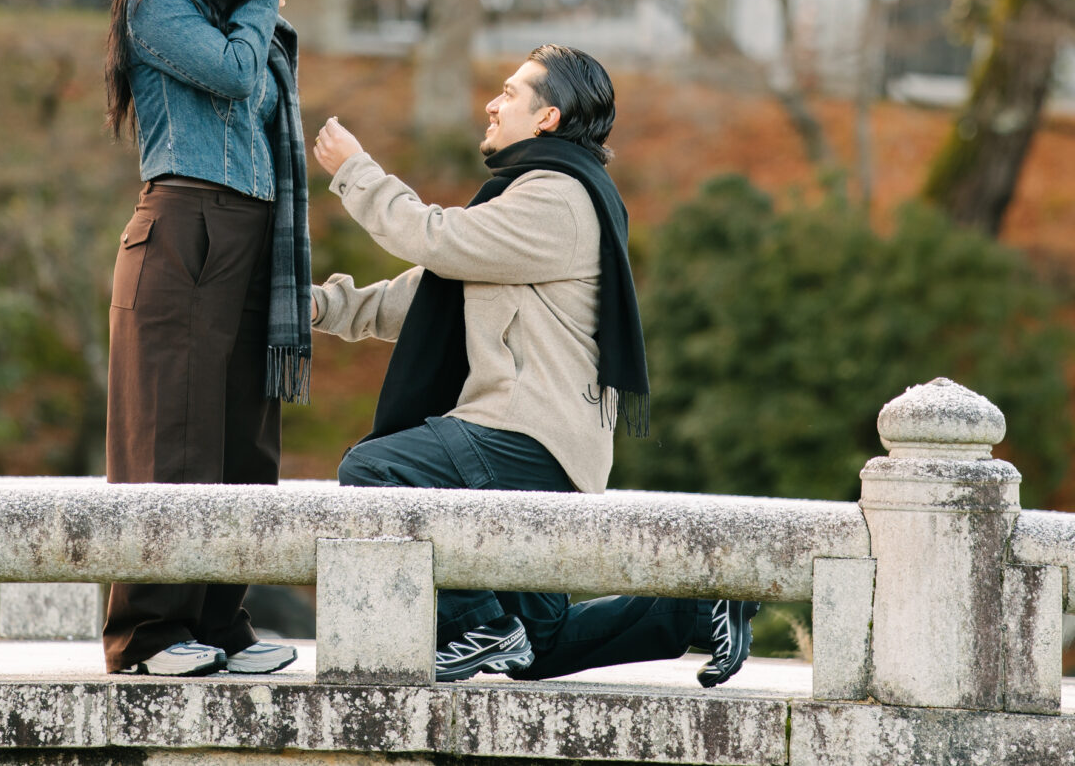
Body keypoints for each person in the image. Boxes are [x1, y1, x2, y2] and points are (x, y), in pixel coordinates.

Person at [307, 45, 759, 686]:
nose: (493, 104)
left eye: (510, 93)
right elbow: (422, 294)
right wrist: (316, 307)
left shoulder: (558, 199)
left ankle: (476, 626)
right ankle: (695, 609)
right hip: (545, 443)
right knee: (540, 646)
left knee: (377, 468)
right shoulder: (531, 198)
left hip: (525, 434)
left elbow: (436, 238)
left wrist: (356, 170)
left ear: (547, 118)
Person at [100, 0, 315, 678]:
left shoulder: (247, 21)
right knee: (174, 435)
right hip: (185, 225)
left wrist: (257, 7)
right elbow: (229, 75)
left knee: (244, 441)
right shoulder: (156, 1)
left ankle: (222, 622)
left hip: (251, 234)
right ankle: (149, 634)